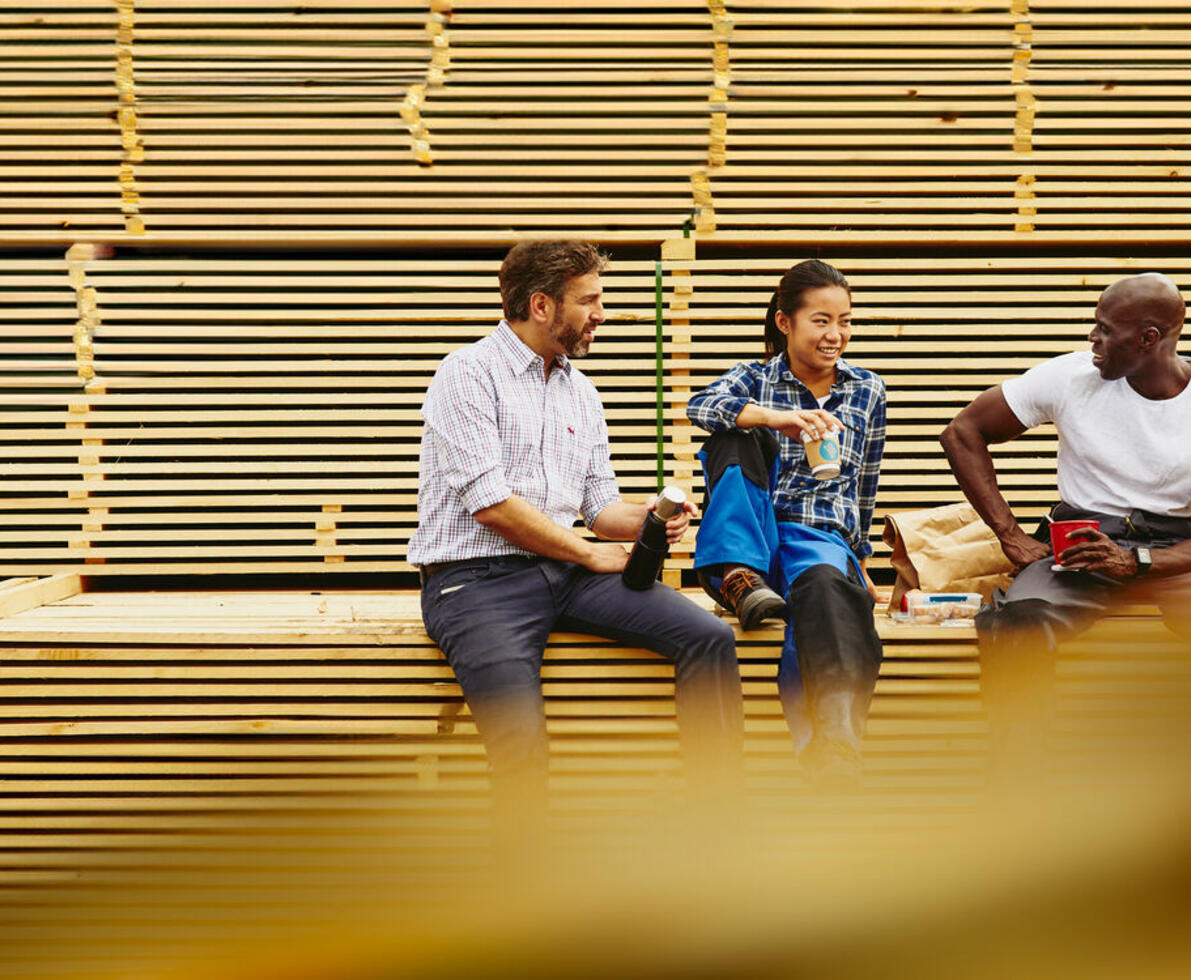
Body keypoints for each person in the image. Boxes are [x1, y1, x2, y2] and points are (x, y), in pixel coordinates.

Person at [407, 240, 744, 822]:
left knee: (707, 638)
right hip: (475, 584)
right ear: (542, 305)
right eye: (589, 300)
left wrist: (650, 518)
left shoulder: (580, 390)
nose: (602, 313)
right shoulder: (466, 374)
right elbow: (490, 503)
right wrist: (589, 555)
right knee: (520, 742)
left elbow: (596, 505)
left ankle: (717, 827)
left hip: (562, 569)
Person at [940, 272, 1191, 768]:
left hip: (1174, 554)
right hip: (1083, 544)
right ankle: (1020, 787)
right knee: (1018, 622)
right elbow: (962, 433)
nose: (1091, 339)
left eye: (1104, 329)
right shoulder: (1072, 377)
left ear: (1148, 339)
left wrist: (1140, 560)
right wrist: (1009, 535)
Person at [686, 260, 887, 783]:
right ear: (784, 323)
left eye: (845, 321)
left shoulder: (866, 390)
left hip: (816, 537)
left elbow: (863, 482)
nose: (835, 334)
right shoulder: (754, 377)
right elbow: (699, 406)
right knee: (735, 433)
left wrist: (858, 560)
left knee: (827, 585)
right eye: (821, 320)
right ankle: (738, 575)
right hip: (751, 531)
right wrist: (777, 419)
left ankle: (834, 749)